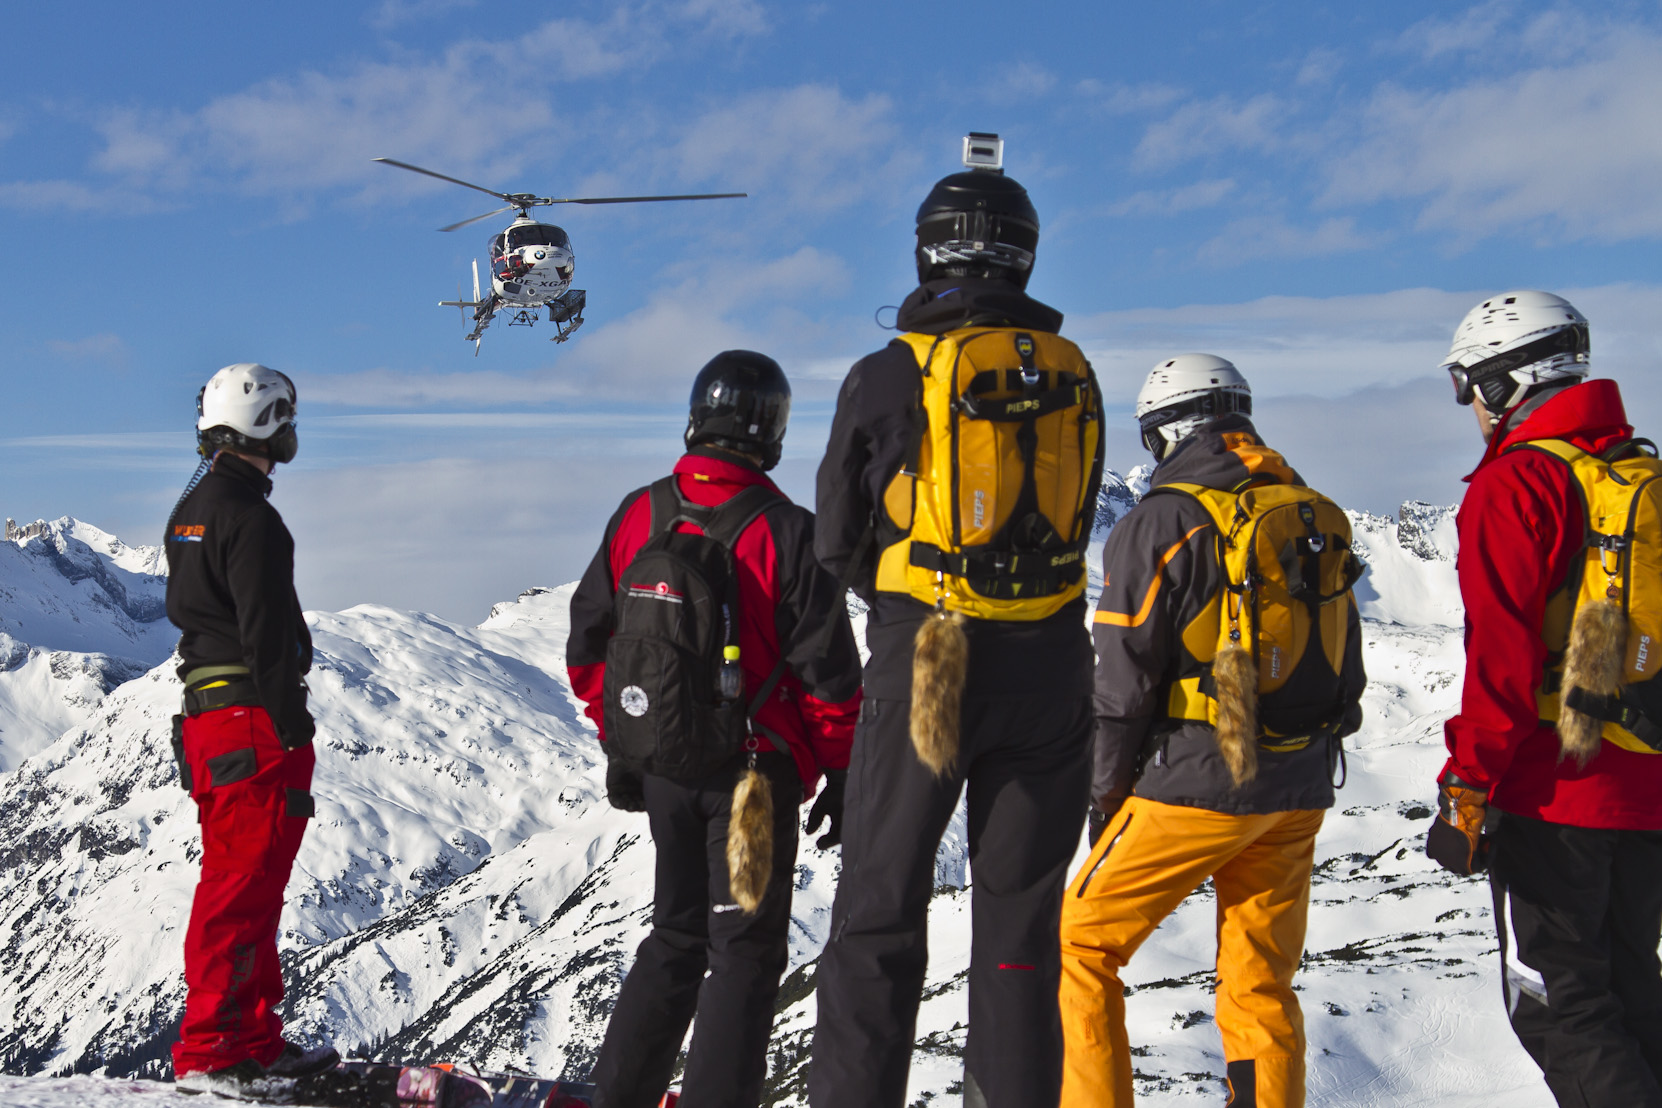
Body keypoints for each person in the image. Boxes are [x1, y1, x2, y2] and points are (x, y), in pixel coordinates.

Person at [811, 145, 1104, 1108]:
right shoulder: (1075, 372)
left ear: (929, 255)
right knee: (1021, 926)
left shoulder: (890, 372)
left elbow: (837, 534)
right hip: (1054, 669)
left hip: (927, 661)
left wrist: (902, 595)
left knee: (880, 916)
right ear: (1023, 256)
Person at [1060, 355, 1365, 1108]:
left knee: (1079, 945)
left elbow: (1120, 683)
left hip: (1194, 784)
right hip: (1297, 787)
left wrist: (1108, 801)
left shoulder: (1162, 520)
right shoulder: (1311, 510)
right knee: (1259, 978)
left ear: (1164, 432)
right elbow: (1346, 665)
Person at [566, 350, 863, 1108]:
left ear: (697, 418)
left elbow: (588, 643)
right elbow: (829, 680)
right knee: (743, 957)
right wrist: (839, 770)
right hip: (754, 782)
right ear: (773, 434)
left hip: (662, 771)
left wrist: (628, 725)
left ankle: (618, 1098)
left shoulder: (640, 512)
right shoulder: (787, 532)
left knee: (674, 937)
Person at [1423, 291, 1662, 1106]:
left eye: (1469, 388)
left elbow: (1502, 658)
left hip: (1556, 795)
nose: (1472, 409)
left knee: (1561, 1011)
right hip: (1649, 787)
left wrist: (1467, 789)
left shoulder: (1518, 482)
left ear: (1503, 383)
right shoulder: (1639, 473)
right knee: (1636, 1003)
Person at [165, 363, 337, 1090]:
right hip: (250, 721)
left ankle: (253, 1037)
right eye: (287, 420)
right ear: (268, 424)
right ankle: (214, 1050)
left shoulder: (191, 509)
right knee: (242, 886)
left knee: (244, 882)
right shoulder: (253, 519)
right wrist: (291, 723)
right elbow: (266, 632)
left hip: (207, 723)